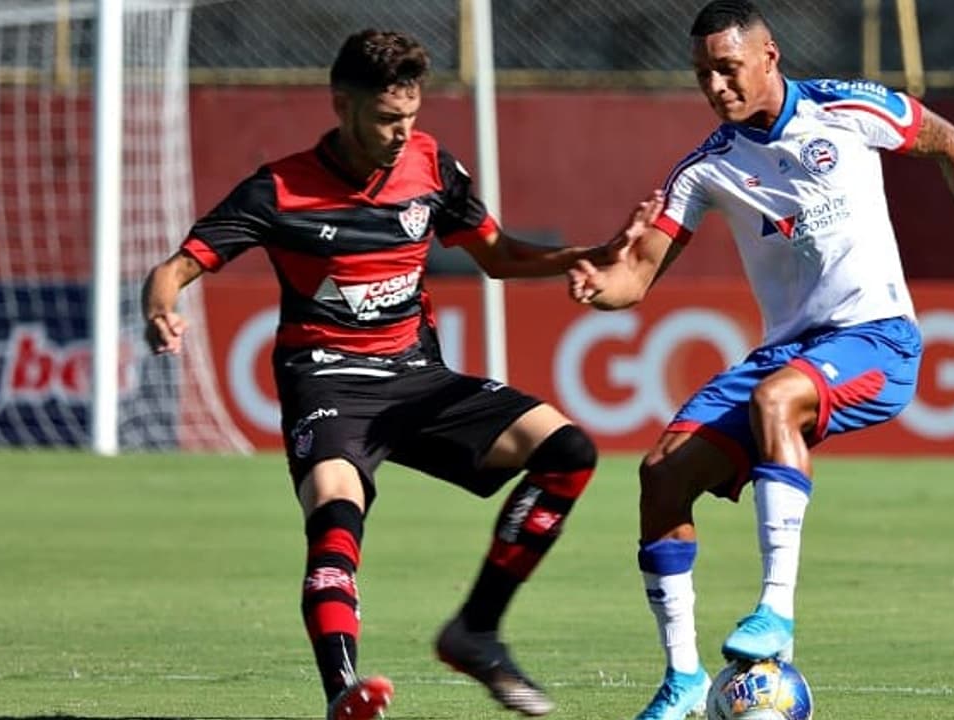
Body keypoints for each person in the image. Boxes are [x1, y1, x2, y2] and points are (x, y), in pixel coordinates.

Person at [142, 29, 653, 720]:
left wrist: (586, 254)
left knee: (568, 452)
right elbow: (176, 267)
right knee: (334, 519)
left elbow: (497, 256)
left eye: (410, 117)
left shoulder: (432, 166)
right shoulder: (279, 189)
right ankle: (342, 694)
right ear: (341, 104)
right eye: (386, 119)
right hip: (328, 385)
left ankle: (475, 632)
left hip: (418, 380)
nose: (399, 133)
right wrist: (161, 308)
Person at [566, 2, 954, 719]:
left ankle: (775, 613)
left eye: (727, 68)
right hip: (787, 353)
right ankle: (684, 680)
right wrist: (601, 286)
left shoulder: (847, 107)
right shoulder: (706, 169)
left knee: (778, 399)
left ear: (769, 57)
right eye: (702, 75)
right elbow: (636, 277)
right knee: (661, 475)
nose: (716, 87)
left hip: (876, 338)